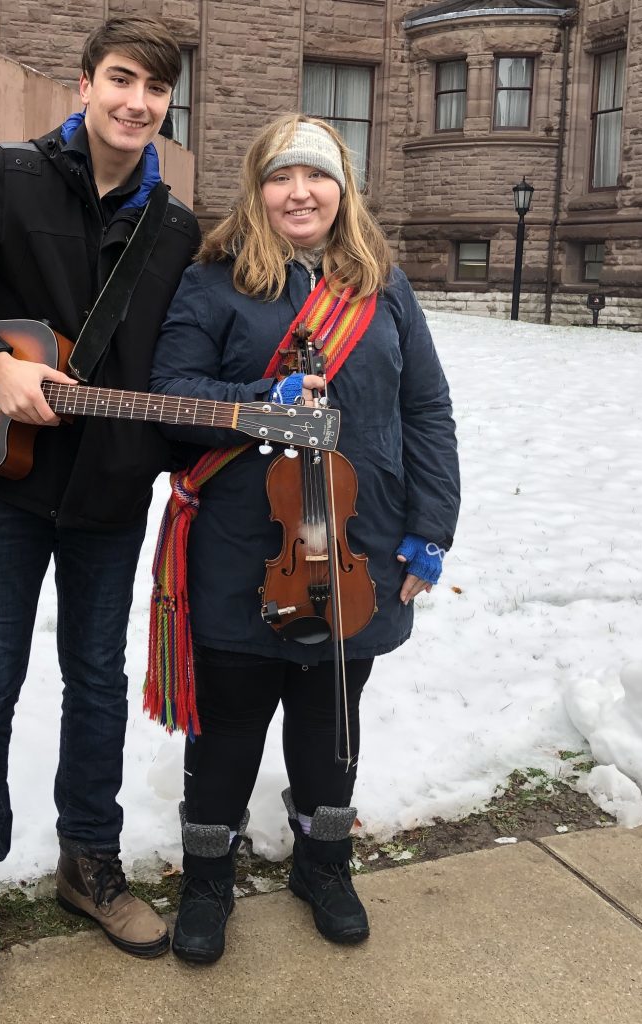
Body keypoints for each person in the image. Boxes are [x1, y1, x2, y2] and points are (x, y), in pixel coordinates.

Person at [0, 16, 200, 1006]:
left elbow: (172, 366)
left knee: (97, 685)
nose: (134, 102)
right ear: (86, 81)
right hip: (4, 488)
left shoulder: (177, 229)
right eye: (119, 79)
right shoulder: (7, 175)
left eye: (153, 89)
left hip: (107, 495)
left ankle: (87, 862)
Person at [147, 114, 460, 964]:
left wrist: (432, 527)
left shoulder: (381, 283)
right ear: (257, 190)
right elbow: (170, 388)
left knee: (331, 719)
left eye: (316, 176)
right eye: (281, 177)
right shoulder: (214, 281)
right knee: (231, 723)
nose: (300, 192)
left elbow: (424, 408)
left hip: (358, 542)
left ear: (342, 189)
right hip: (243, 545)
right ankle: (207, 879)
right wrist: (260, 396)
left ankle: (325, 864)